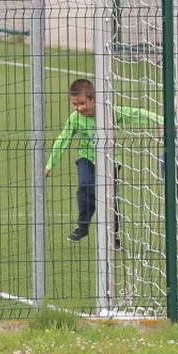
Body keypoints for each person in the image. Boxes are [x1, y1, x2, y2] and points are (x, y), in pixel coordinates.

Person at [44, 78, 162, 244]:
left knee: (109, 198)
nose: (78, 108)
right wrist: (50, 164)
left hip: (110, 160)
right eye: (74, 104)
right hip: (87, 157)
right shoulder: (75, 118)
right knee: (86, 186)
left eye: (82, 103)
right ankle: (83, 227)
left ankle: (114, 237)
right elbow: (63, 139)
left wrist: (161, 120)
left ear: (93, 99)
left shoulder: (109, 112)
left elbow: (137, 113)